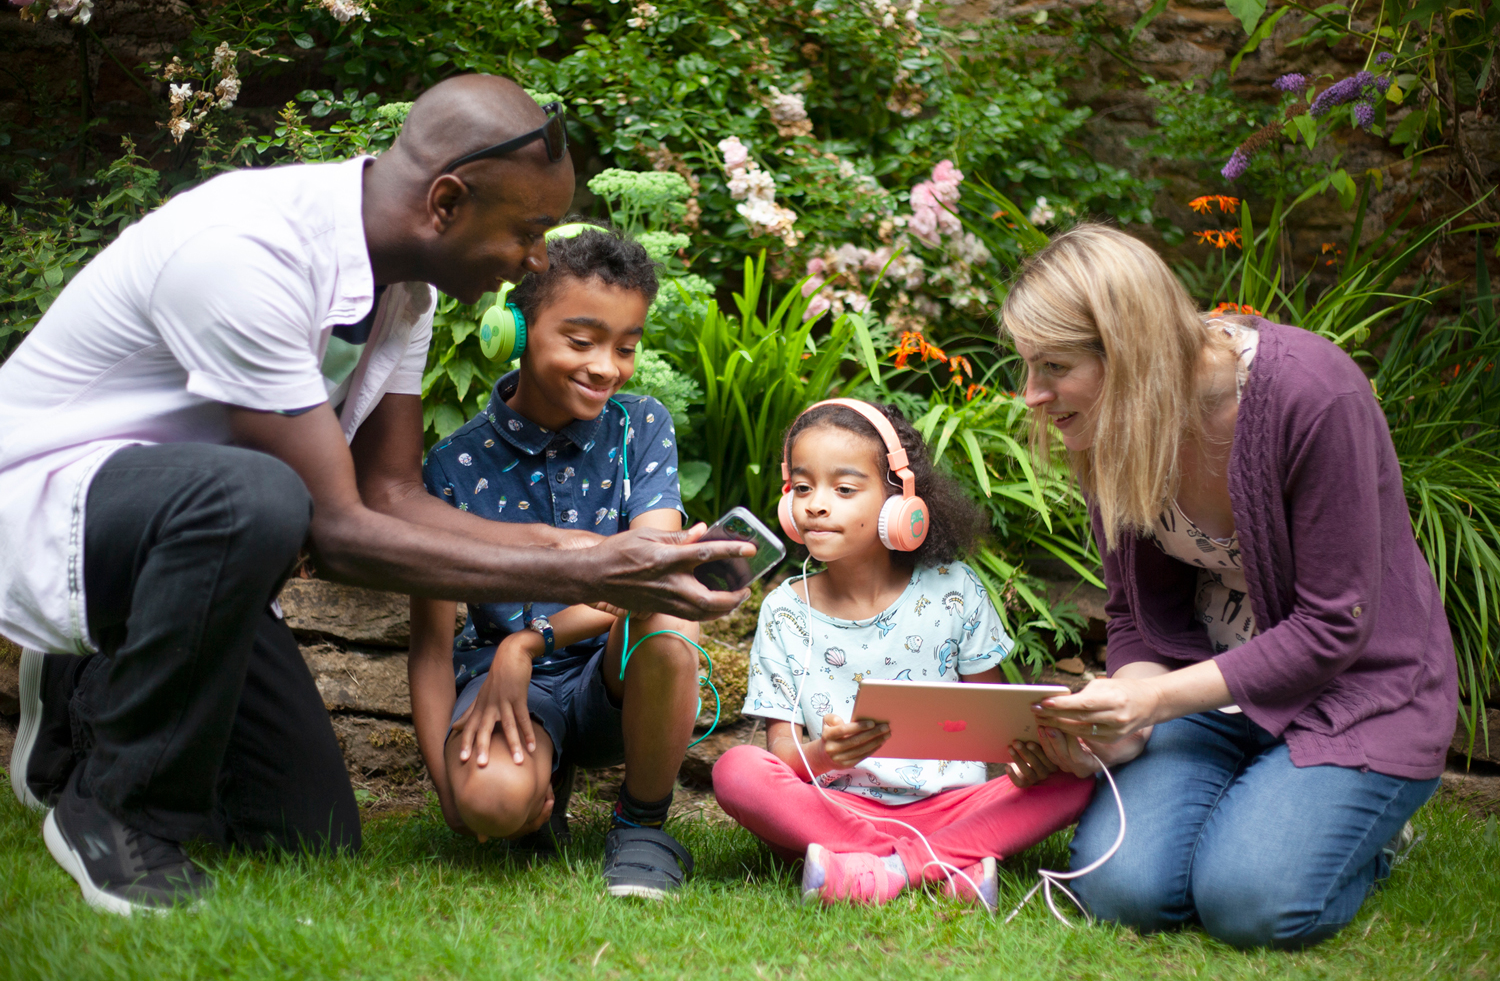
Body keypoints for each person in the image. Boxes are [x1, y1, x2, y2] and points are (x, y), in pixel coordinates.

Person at [0, 74, 749, 917]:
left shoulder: (405, 294)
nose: (538, 260)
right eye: (528, 231)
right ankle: (114, 806)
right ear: (446, 202)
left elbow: (391, 494)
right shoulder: (244, 255)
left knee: (311, 835)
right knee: (264, 495)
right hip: (56, 506)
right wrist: (589, 572)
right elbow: (339, 531)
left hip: (200, 555)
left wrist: (595, 552)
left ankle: (94, 682)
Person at [999, 224, 1457, 948]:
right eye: (1029, 366)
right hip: (1208, 694)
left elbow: (1333, 627)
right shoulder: (1114, 422)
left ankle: (1365, 835)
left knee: (1249, 905)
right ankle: (1265, 801)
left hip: (1357, 693)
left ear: (1128, 349)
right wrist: (1127, 721)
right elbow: (1136, 618)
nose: (1033, 395)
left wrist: (1155, 702)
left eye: (1054, 366)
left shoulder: (1312, 394)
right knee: (1120, 890)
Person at [410, 221, 702, 898]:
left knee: (666, 609)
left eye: (625, 347)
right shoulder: (453, 465)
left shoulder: (642, 426)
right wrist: (449, 793)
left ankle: (642, 827)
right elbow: (429, 647)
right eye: (581, 341)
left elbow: (650, 575)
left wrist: (529, 641)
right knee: (491, 804)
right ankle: (532, 785)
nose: (606, 367)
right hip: (506, 691)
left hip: (619, 679)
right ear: (514, 329)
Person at [712, 399, 1096, 909]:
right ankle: (948, 863)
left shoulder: (955, 589)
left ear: (901, 503)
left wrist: (1029, 761)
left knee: (1078, 775)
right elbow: (782, 752)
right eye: (802, 488)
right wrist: (825, 754)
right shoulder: (784, 611)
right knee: (737, 770)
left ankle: (880, 869)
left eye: (844, 489)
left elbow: (1001, 727)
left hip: (954, 807)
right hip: (837, 809)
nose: (816, 505)